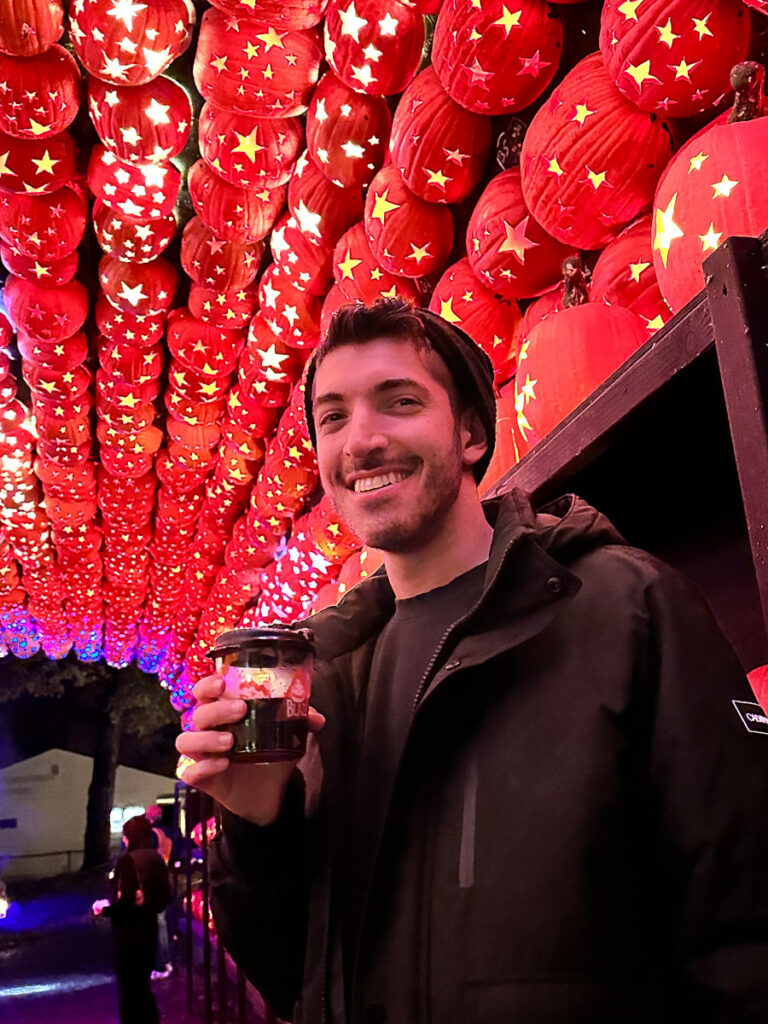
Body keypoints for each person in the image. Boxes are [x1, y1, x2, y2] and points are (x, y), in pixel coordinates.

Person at [176, 300, 768, 1024]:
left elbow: (744, 927)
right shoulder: (329, 678)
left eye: (399, 402)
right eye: (333, 418)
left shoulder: (627, 609)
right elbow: (291, 978)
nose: (361, 439)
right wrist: (261, 826)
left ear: (471, 433)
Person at [106, 814, 172, 1024]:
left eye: (126, 837)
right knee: (143, 987)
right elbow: (165, 897)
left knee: (129, 989)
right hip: (148, 929)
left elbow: (125, 904)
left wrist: (105, 910)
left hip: (129, 934)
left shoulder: (128, 861)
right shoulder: (155, 858)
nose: (124, 841)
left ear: (130, 837)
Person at [145, 803, 174, 979]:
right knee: (162, 920)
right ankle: (165, 960)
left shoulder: (153, 834)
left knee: (158, 922)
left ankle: (162, 962)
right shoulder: (169, 831)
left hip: (155, 877)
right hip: (167, 875)